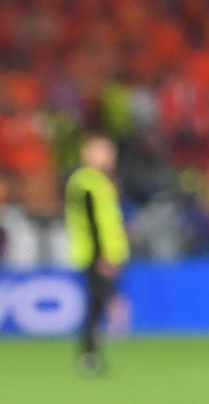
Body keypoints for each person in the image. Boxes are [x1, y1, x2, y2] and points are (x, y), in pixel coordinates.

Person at [64, 135, 130, 376]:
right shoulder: (85, 182)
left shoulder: (101, 181)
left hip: (105, 253)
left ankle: (91, 353)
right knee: (99, 303)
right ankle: (89, 354)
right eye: (104, 151)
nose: (110, 157)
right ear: (88, 154)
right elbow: (92, 223)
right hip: (94, 254)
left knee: (98, 303)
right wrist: (102, 255)